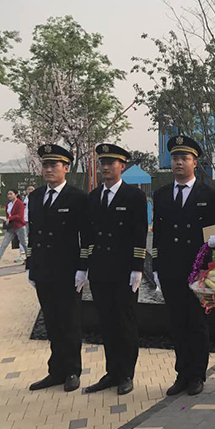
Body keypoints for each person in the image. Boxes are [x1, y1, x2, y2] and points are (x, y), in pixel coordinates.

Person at [152, 135, 215, 397]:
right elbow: (158, 234)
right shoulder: (161, 194)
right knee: (177, 323)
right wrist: (156, 267)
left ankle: (197, 375)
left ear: (195, 162)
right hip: (170, 268)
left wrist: (214, 266)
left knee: (197, 322)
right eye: (175, 158)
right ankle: (181, 373)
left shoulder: (209, 193)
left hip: (198, 269)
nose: (178, 162)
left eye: (184, 158)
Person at [82, 144, 148, 396]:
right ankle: (112, 372)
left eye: (111, 163)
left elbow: (139, 232)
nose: (106, 167)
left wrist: (137, 267)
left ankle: (126, 374)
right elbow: (88, 234)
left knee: (125, 323)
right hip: (100, 270)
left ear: (122, 166)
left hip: (124, 271)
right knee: (107, 323)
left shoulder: (134, 196)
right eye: (103, 163)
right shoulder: (93, 196)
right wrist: (84, 266)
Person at [26, 144, 91, 392]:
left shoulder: (77, 197)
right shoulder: (35, 197)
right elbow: (33, 234)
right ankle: (56, 371)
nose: (48, 169)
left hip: (68, 271)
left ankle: (72, 370)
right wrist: (31, 265)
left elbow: (86, 236)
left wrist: (83, 268)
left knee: (69, 322)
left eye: (54, 165)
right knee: (52, 322)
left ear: (66, 168)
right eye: (45, 165)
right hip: (44, 270)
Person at [0, 189, 27, 262]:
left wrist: (10, 218)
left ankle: (30, 258)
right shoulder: (8, 204)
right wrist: (7, 220)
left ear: (16, 194)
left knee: (24, 243)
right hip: (11, 227)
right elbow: (7, 215)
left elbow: (20, 215)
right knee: (4, 244)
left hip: (19, 226)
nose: (9, 195)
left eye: (11, 194)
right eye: (8, 194)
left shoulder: (20, 203)